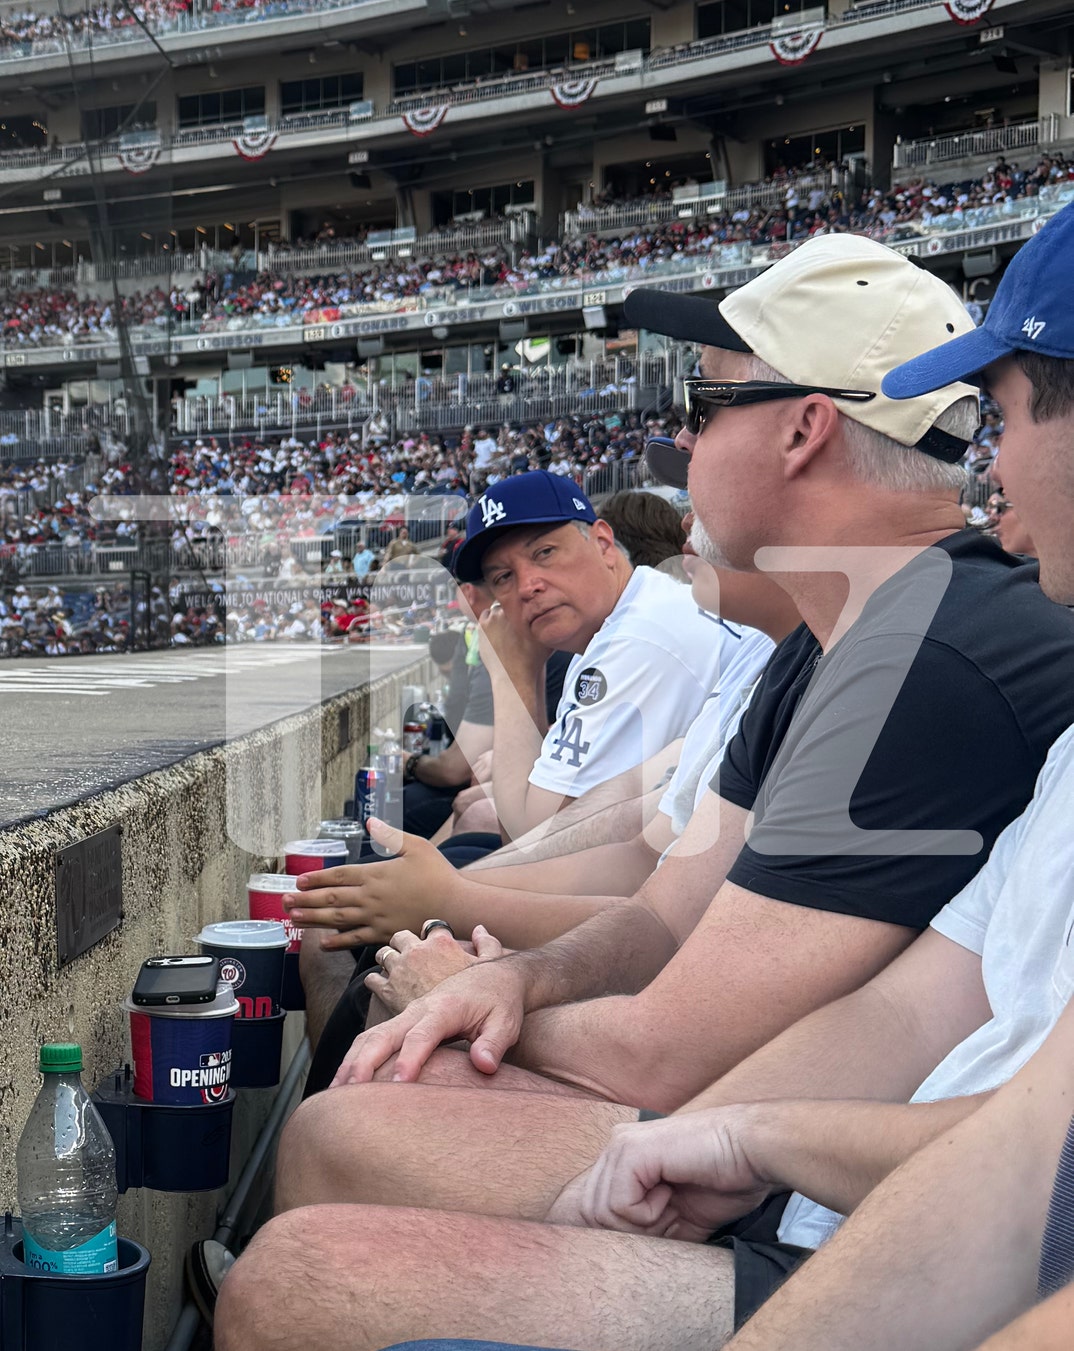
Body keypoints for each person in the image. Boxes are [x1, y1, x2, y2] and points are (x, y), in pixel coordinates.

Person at [214, 231, 1074, 1349]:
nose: (679, 435)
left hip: (871, 1218)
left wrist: (468, 958)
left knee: (308, 1252)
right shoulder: (850, 637)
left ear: (806, 426)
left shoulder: (928, 646)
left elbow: (678, 1033)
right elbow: (680, 905)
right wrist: (520, 982)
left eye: (704, 402)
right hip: (849, 1182)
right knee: (353, 1119)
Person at [444, 470, 743, 841]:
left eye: (544, 553)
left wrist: (511, 673)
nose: (526, 587)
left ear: (603, 543)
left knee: (468, 840)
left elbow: (526, 840)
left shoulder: (636, 640)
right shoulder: (631, 614)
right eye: (503, 577)